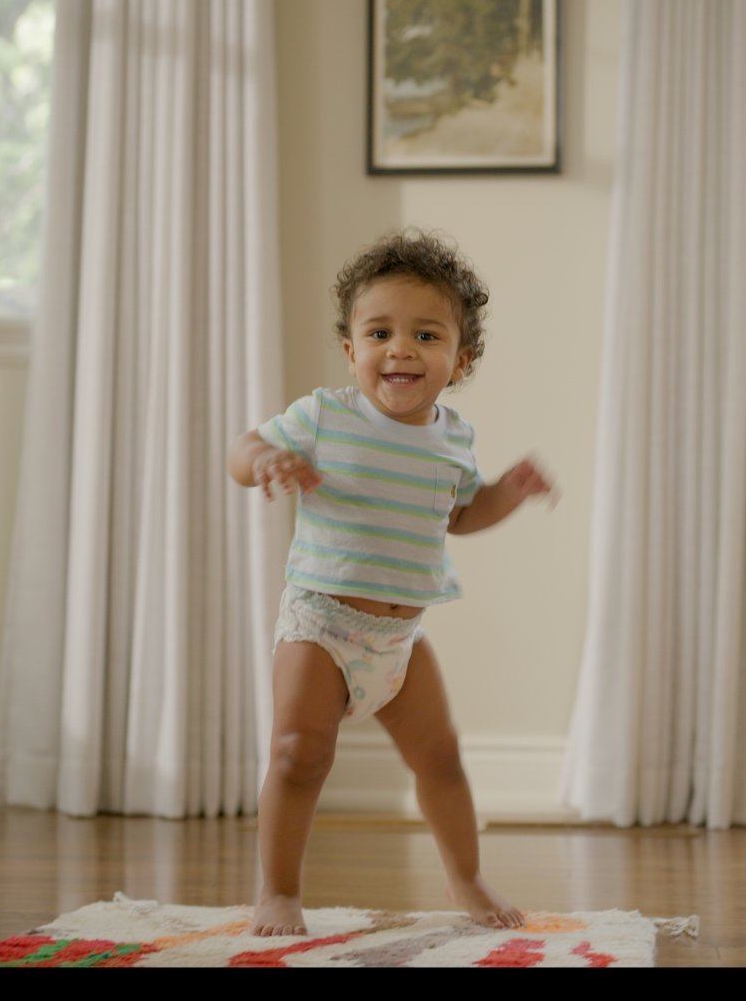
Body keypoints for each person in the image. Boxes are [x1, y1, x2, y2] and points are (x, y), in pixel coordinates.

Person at [227, 229, 555, 937]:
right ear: (352, 351)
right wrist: (264, 464)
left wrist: (509, 491)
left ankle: (466, 878)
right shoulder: (325, 416)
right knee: (298, 754)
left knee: (441, 757)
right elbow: (240, 450)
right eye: (380, 332)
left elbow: (460, 517)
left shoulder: (454, 438)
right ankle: (278, 891)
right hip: (319, 623)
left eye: (425, 334)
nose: (400, 348)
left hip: (400, 639)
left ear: (459, 361)